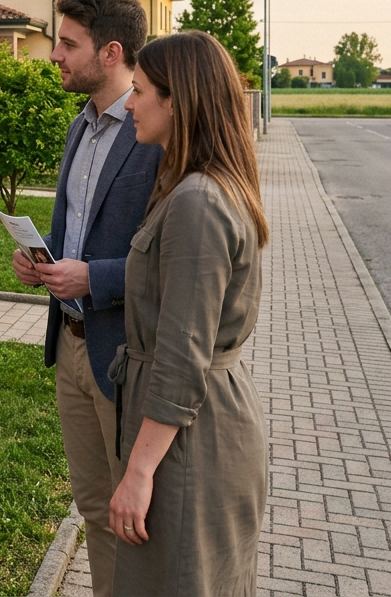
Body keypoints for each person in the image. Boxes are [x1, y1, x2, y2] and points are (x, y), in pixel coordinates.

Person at [12, 0, 162, 597]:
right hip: (70, 347)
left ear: (111, 52)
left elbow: (177, 261)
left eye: (67, 43)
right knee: (95, 510)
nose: (54, 55)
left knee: (137, 520)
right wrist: (41, 262)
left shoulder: (155, 130)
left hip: (124, 354)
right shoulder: (80, 126)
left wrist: (93, 278)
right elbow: (73, 224)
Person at [108, 30, 268, 597]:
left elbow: (181, 356)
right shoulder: (192, 187)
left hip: (190, 441)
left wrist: (139, 471)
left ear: (178, 100)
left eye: (141, 90)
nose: (129, 104)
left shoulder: (198, 200)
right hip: (191, 428)